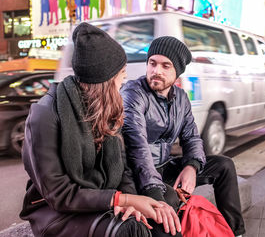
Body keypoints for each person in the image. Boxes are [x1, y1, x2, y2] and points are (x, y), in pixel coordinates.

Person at [20, 23, 163, 237]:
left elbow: (122, 168)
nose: (124, 80)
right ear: (104, 81)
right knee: (132, 230)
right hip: (56, 212)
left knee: (160, 215)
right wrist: (121, 200)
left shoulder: (105, 107)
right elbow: (58, 193)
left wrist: (131, 202)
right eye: (121, 73)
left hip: (99, 198)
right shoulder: (44, 115)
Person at [121, 36, 245, 237]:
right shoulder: (133, 93)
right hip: (139, 174)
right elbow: (137, 147)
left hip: (165, 167)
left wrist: (191, 166)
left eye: (165, 66)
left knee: (224, 166)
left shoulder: (180, 98)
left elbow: (192, 138)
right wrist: (155, 194)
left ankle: (234, 232)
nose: (156, 71)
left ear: (177, 71)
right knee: (169, 203)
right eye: (152, 63)